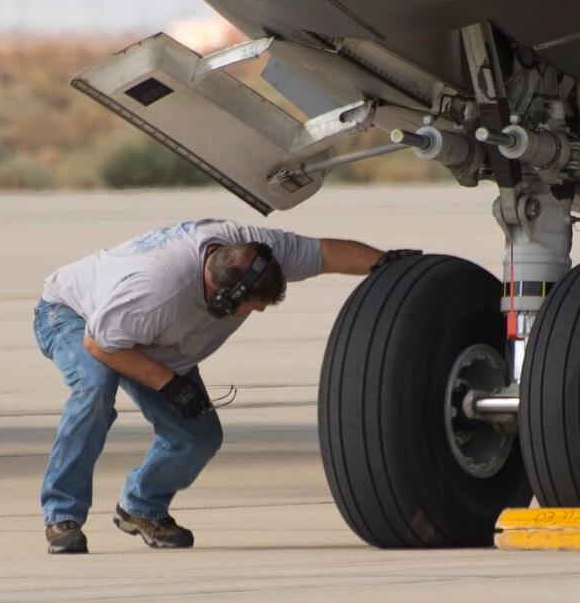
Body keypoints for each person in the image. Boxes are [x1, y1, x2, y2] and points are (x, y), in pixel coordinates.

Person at [33, 218, 418, 554]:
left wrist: (385, 264)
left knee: (198, 437)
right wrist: (169, 385)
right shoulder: (156, 292)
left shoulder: (258, 249)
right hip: (73, 315)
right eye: (250, 305)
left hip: (151, 338)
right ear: (219, 299)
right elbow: (100, 345)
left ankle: (142, 507)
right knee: (95, 392)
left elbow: (326, 254)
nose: (259, 311)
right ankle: (62, 516)